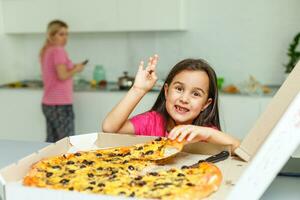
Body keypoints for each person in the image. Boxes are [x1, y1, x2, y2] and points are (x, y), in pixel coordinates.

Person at [102, 55, 240, 152]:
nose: (184, 99)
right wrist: (138, 90)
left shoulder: (204, 133)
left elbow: (240, 150)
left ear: (206, 104)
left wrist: (208, 134)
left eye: (196, 94)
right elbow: (109, 128)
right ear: (166, 91)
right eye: (179, 89)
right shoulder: (151, 121)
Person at [40, 20, 86, 142]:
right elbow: (62, 75)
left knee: (51, 141)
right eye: (61, 34)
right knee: (67, 142)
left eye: (66, 34)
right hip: (60, 104)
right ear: (51, 35)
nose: (65, 38)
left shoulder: (47, 50)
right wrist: (76, 69)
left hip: (48, 104)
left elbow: (58, 71)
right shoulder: (58, 50)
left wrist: (74, 67)